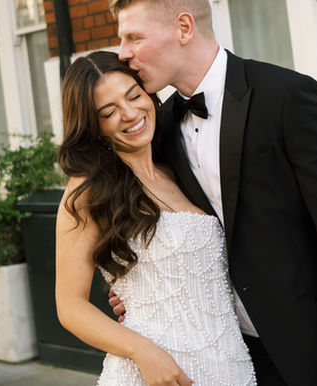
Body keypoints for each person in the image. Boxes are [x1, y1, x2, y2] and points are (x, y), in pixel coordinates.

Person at [106, 0, 317, 385]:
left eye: (134, 37)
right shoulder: (157, 128)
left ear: (183, 27)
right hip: (230, 358)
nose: (123, 53)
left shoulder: (288, 97)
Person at [55, 51, 256, 385]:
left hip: (230, 366)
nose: (130, 113)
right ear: (93, 127)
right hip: (152, 372)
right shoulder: (89, 191)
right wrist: (143, 351)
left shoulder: (178, 168)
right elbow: (70, 306)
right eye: (109, 111)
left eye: (134, 96)